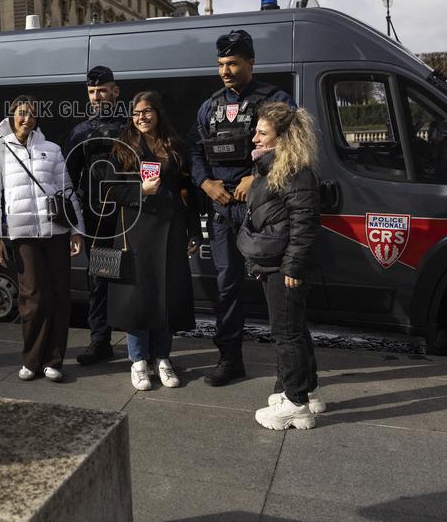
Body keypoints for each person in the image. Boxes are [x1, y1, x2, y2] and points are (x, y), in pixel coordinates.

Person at [188, 30, 294, 387]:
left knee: (274, 289)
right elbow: (194, 151)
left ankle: (287, 370)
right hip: (222, 211)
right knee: (227, 287)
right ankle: (230, 359)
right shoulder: (209, 106)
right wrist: (206, 183)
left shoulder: (275, 101)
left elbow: (293, 148)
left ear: (251, 62)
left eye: (233, 63)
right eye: (220, 64)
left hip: (262, 210)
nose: (225, 71)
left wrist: (257, 176)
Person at [0, 95, 84, 382]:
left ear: (37, 119)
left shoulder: (51, 149)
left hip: (56, 232)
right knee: (33, 298)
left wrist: (77, 230)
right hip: (24, 234)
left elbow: (67, 190)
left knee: (60, 296)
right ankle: (31, 359)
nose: (26, 118)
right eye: (20, 113)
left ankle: (54, 360)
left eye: (31, 114)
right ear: (12, 116)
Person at [103, 92, 201, 390]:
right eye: (136, 113)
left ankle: (163, 358)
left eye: (147, 111)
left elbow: (189, 193)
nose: (142, 117)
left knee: (165, 295)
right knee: (138, 298)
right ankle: (138, 361)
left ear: (158, 113)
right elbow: (109, 189)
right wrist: (139, 190)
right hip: (135, 231)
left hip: (170, 230)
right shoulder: (121, 147)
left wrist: (193, 231)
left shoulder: (175, 146)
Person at [245, 102, 325, 429]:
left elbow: (305, 224)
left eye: (262, 133)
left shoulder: (294, 173)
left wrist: (292, 267)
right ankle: (306, 389)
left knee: (285, 332)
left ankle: (295, 402)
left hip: (284, 266)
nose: (254, 138)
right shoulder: (275, 168)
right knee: (295, 328)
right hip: (278, 262)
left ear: (283, 138)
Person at [63, 65, 127, 366]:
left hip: (129, 220)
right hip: (99, 220)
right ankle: (100, 340)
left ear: (115, 91)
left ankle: (141, 342)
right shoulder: (81, 132)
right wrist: (74, 223)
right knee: (101, 280)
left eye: (102, 90)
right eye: (91, 91)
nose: (97, 96)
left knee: (133, 280)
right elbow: (68, 183)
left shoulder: (133, 126)